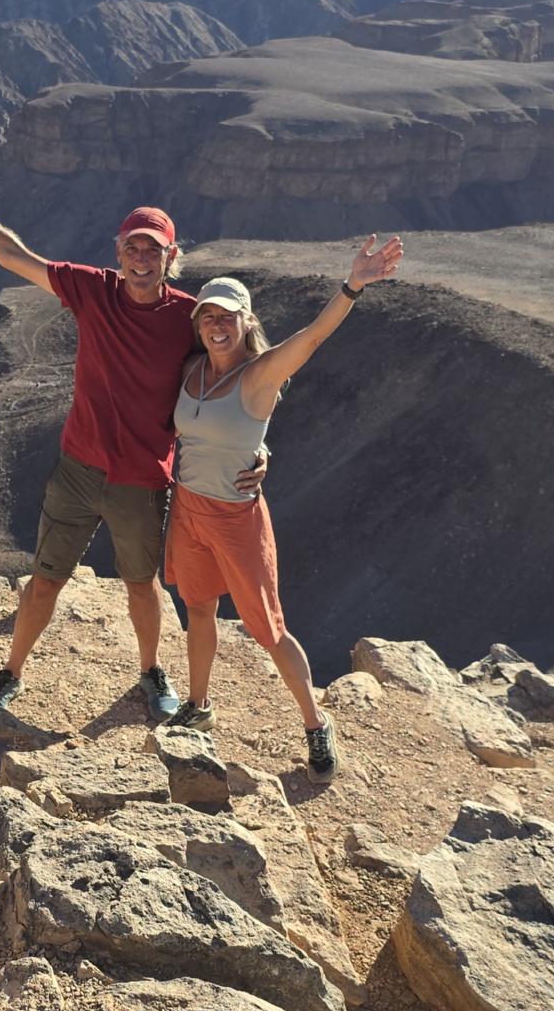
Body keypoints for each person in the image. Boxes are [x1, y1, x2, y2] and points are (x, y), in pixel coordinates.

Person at [0, 144, 268, 720]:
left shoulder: (192, 318)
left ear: (172, 258)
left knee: (143, 586)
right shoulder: (93, 289)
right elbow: (14, 254)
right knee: (45, 579)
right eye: (132, 247)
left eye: (154, 250)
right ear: (118, 251)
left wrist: (258, 445)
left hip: (143, 479)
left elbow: (240, 377)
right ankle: (10, 671)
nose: (141, 258)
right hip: (78, 468)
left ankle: (149, 671)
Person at [164, 235, 403, 782]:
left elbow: (314, 337)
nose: (216, 326)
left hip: (236, 517)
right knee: (198, 609)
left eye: (227, 317)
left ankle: (316, 725)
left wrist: (352, 286)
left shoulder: (261, 374)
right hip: (189, 509)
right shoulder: (192, 370)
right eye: (207, 318)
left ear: (247, 320)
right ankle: (198, 707)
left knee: (269, 630)